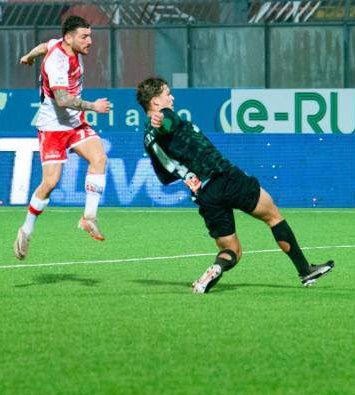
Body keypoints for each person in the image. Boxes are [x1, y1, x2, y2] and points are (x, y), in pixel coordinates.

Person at [136, 76, 334, 294]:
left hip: (204, 194)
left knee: (233, 250)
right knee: (273, 216)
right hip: (224, 177)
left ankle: (214, 270)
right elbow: (167, 122)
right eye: (167, 93)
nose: (171, 97)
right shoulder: (164, 115)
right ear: (155, 101)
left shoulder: (147, 138)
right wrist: (161, 121)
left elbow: (165, 177)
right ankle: (305, 270)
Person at [13, 15, 112, 260]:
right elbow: (62, 100)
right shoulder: (57, 63)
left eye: (90, 35)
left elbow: (44, 45)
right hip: (53, 128)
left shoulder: (61, 44)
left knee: (99, 158)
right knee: (50, 183)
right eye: (84, 36)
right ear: (69, 38)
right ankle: (26, 229)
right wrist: (93, 107)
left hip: (74, 124)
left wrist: (28, 56)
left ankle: (89, 217)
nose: (90, 41)